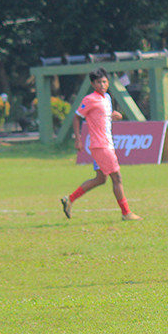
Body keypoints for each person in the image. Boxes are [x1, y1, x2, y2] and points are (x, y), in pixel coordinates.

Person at [61, 67, 141, 221]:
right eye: (98, 82)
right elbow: (77, 117)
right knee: (117, 178)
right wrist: (77, 139)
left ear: (108, 82)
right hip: (101, 145)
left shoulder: (107, 99)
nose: (102, 85)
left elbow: (100, 116)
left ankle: (70, 199)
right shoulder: (89, 99)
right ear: (93, 84)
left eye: (104, 82)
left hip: (105, 143)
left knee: (100, 179)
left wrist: (112, 116)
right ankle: (126, 213)